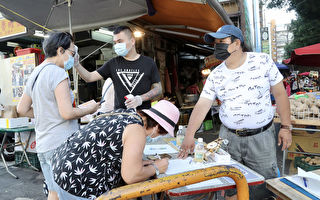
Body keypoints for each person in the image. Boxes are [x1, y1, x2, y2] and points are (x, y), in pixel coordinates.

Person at [178, 25, 292, 200]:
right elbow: (202, 105)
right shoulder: (216, 75)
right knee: (229, 185)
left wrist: (286, 127)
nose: (217, 47)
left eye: (222, 42)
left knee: (264, 185)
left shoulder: (262, 61)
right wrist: (189, 135)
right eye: (215, 43)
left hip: (261, 137)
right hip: (228, 138)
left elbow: (280, 94)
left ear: (237, 43)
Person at [17, 32, 100, 200]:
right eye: (72, 53)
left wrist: (47, 113)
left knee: (54, 193)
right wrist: (89, 108)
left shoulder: (36, 72)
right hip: (61, 146)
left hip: (43, 146)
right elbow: (67, 113)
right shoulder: (58, 72)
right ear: (61, 50)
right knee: (72, 195)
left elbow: (22, 108)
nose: (73, 58)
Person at [50, 100, 179, 199]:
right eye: (163, 133)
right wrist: (156, 168)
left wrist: (141, 164)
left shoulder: (126, 114)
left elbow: (110, 148)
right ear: (157, 127)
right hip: (76, 181)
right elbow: (131, 176)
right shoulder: (137, 130)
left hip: (61, 165)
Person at [74, 25, 162, 110]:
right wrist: (77, 64)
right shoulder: (112, 63)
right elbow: (89, 77)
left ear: (132, 41)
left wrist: (140, 99)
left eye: (120, 41)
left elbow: (158, 89)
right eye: (115, 42)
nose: (116, 45)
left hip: (143, 115)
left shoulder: (149, 63)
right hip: (120, 115)